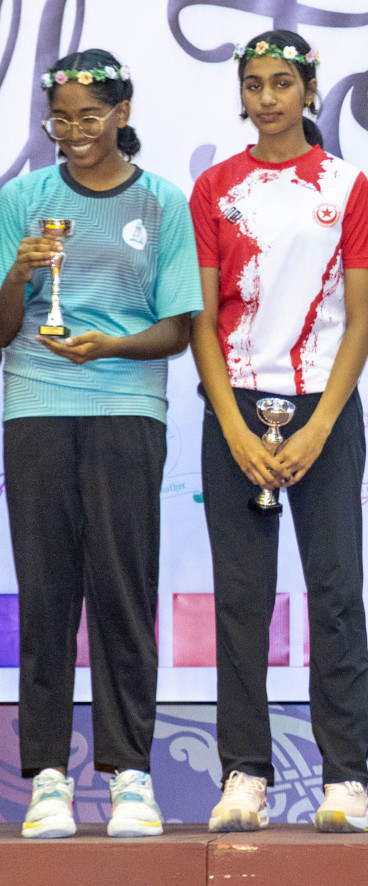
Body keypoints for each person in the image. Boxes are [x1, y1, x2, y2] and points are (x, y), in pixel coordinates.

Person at [2, 49, 201, 840]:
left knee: (123, 592)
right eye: (60, 120)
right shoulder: (22, 199)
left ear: (122, 113)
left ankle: (130, 777)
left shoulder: (161, 205)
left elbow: (178, 328)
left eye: (90, 117)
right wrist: (17, 273)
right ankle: (48, 774)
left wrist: (109, 349)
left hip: (126, 408)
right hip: (35, 408)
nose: (74, 133)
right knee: (46, 594)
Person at [189, 30, 368, 833]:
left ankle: (346, 780)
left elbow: (362, 322)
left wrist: (320, 425)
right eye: (255, 84)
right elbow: (203, 319)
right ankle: (246, 774)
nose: (268, 98)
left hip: (323, 411)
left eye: (282, 83)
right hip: (234, 407)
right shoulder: (213, 188)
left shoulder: (346, 185)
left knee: (335, 594)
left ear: (310, 89)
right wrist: (233, 426)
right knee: (241, 600)